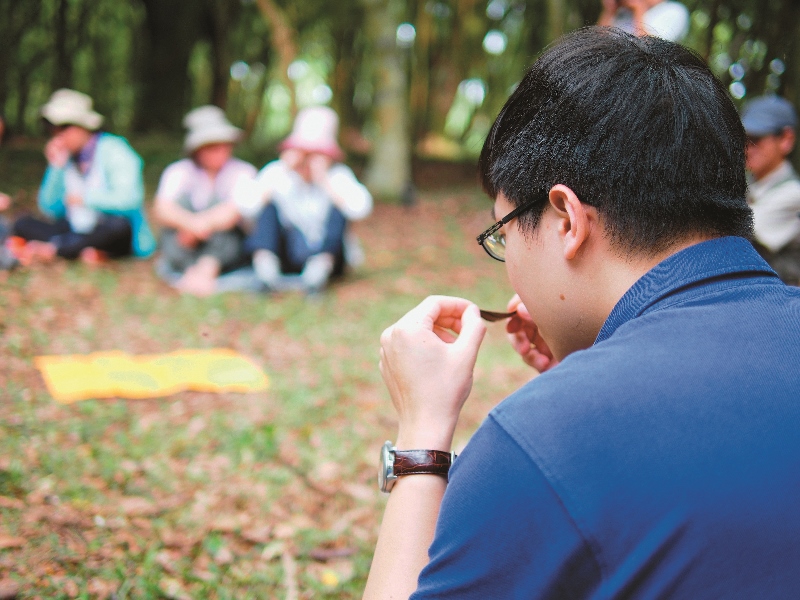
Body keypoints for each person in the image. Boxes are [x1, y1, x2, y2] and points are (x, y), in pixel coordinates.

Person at [364, 27, 800, 599]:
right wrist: (595, 367)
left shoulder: (538, 442)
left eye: (502, 232)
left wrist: (422, 436)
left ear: (566, 218)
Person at [8, 89, 155, 265]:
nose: (58, 134)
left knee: (118, 226)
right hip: (75, 228)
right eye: (52, 129)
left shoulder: (116, 150)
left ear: (85, 126)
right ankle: (81, 250)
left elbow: (130, 200)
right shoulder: (66, 159)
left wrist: (85, 198)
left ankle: (58, 249)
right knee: (22, 223)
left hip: (109, 229)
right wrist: (56, 168)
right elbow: (49, 209)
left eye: (64, 127)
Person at [236, 106, 372, 294]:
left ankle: (316, 277)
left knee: (338, 210)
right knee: (268, 207)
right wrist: (284, 168)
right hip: (287, 252)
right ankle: (266, 274)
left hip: (327, 256)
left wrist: (324, 181)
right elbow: (247, 206)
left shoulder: (338, 176)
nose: (306, 160)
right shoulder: (278, 172)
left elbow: (360, 209)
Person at [153, 105, 256, 296]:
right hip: (185, 242)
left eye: (224, 145)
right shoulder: (179, 171)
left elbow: (234, 212)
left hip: (223, 245)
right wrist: (190, 224)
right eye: (212, 147)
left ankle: (207, 270)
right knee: (178, 213)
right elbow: (162, 208)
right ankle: (191, 271)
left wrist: (201, 224)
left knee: (230, 224)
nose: (220, 151)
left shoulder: (243, 172)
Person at [741, 95, 800, 284]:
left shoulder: (793, 194)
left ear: (786, 139)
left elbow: (739, 235)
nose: (747, 147)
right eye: (743, 137)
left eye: (756, 138)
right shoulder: (748, 185)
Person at [597, 0, 689, 42]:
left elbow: (651, 46)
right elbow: (599, 40)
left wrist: (638, 8)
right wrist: (609, 10)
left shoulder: (674, 11)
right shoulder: (624, 12)